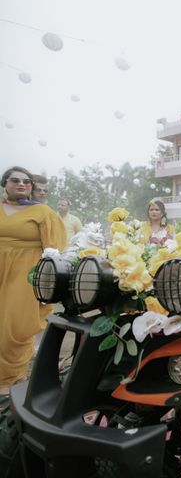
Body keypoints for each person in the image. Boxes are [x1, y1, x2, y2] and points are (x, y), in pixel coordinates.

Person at [0, 166, 66, 403]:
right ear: (4, 183)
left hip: (23, 276)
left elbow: (54, 248)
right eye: (15, 180)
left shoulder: (42, 212)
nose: (21, 184)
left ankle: (9, 383)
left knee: (15, 329)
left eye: (26, 181)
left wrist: (47, 281)